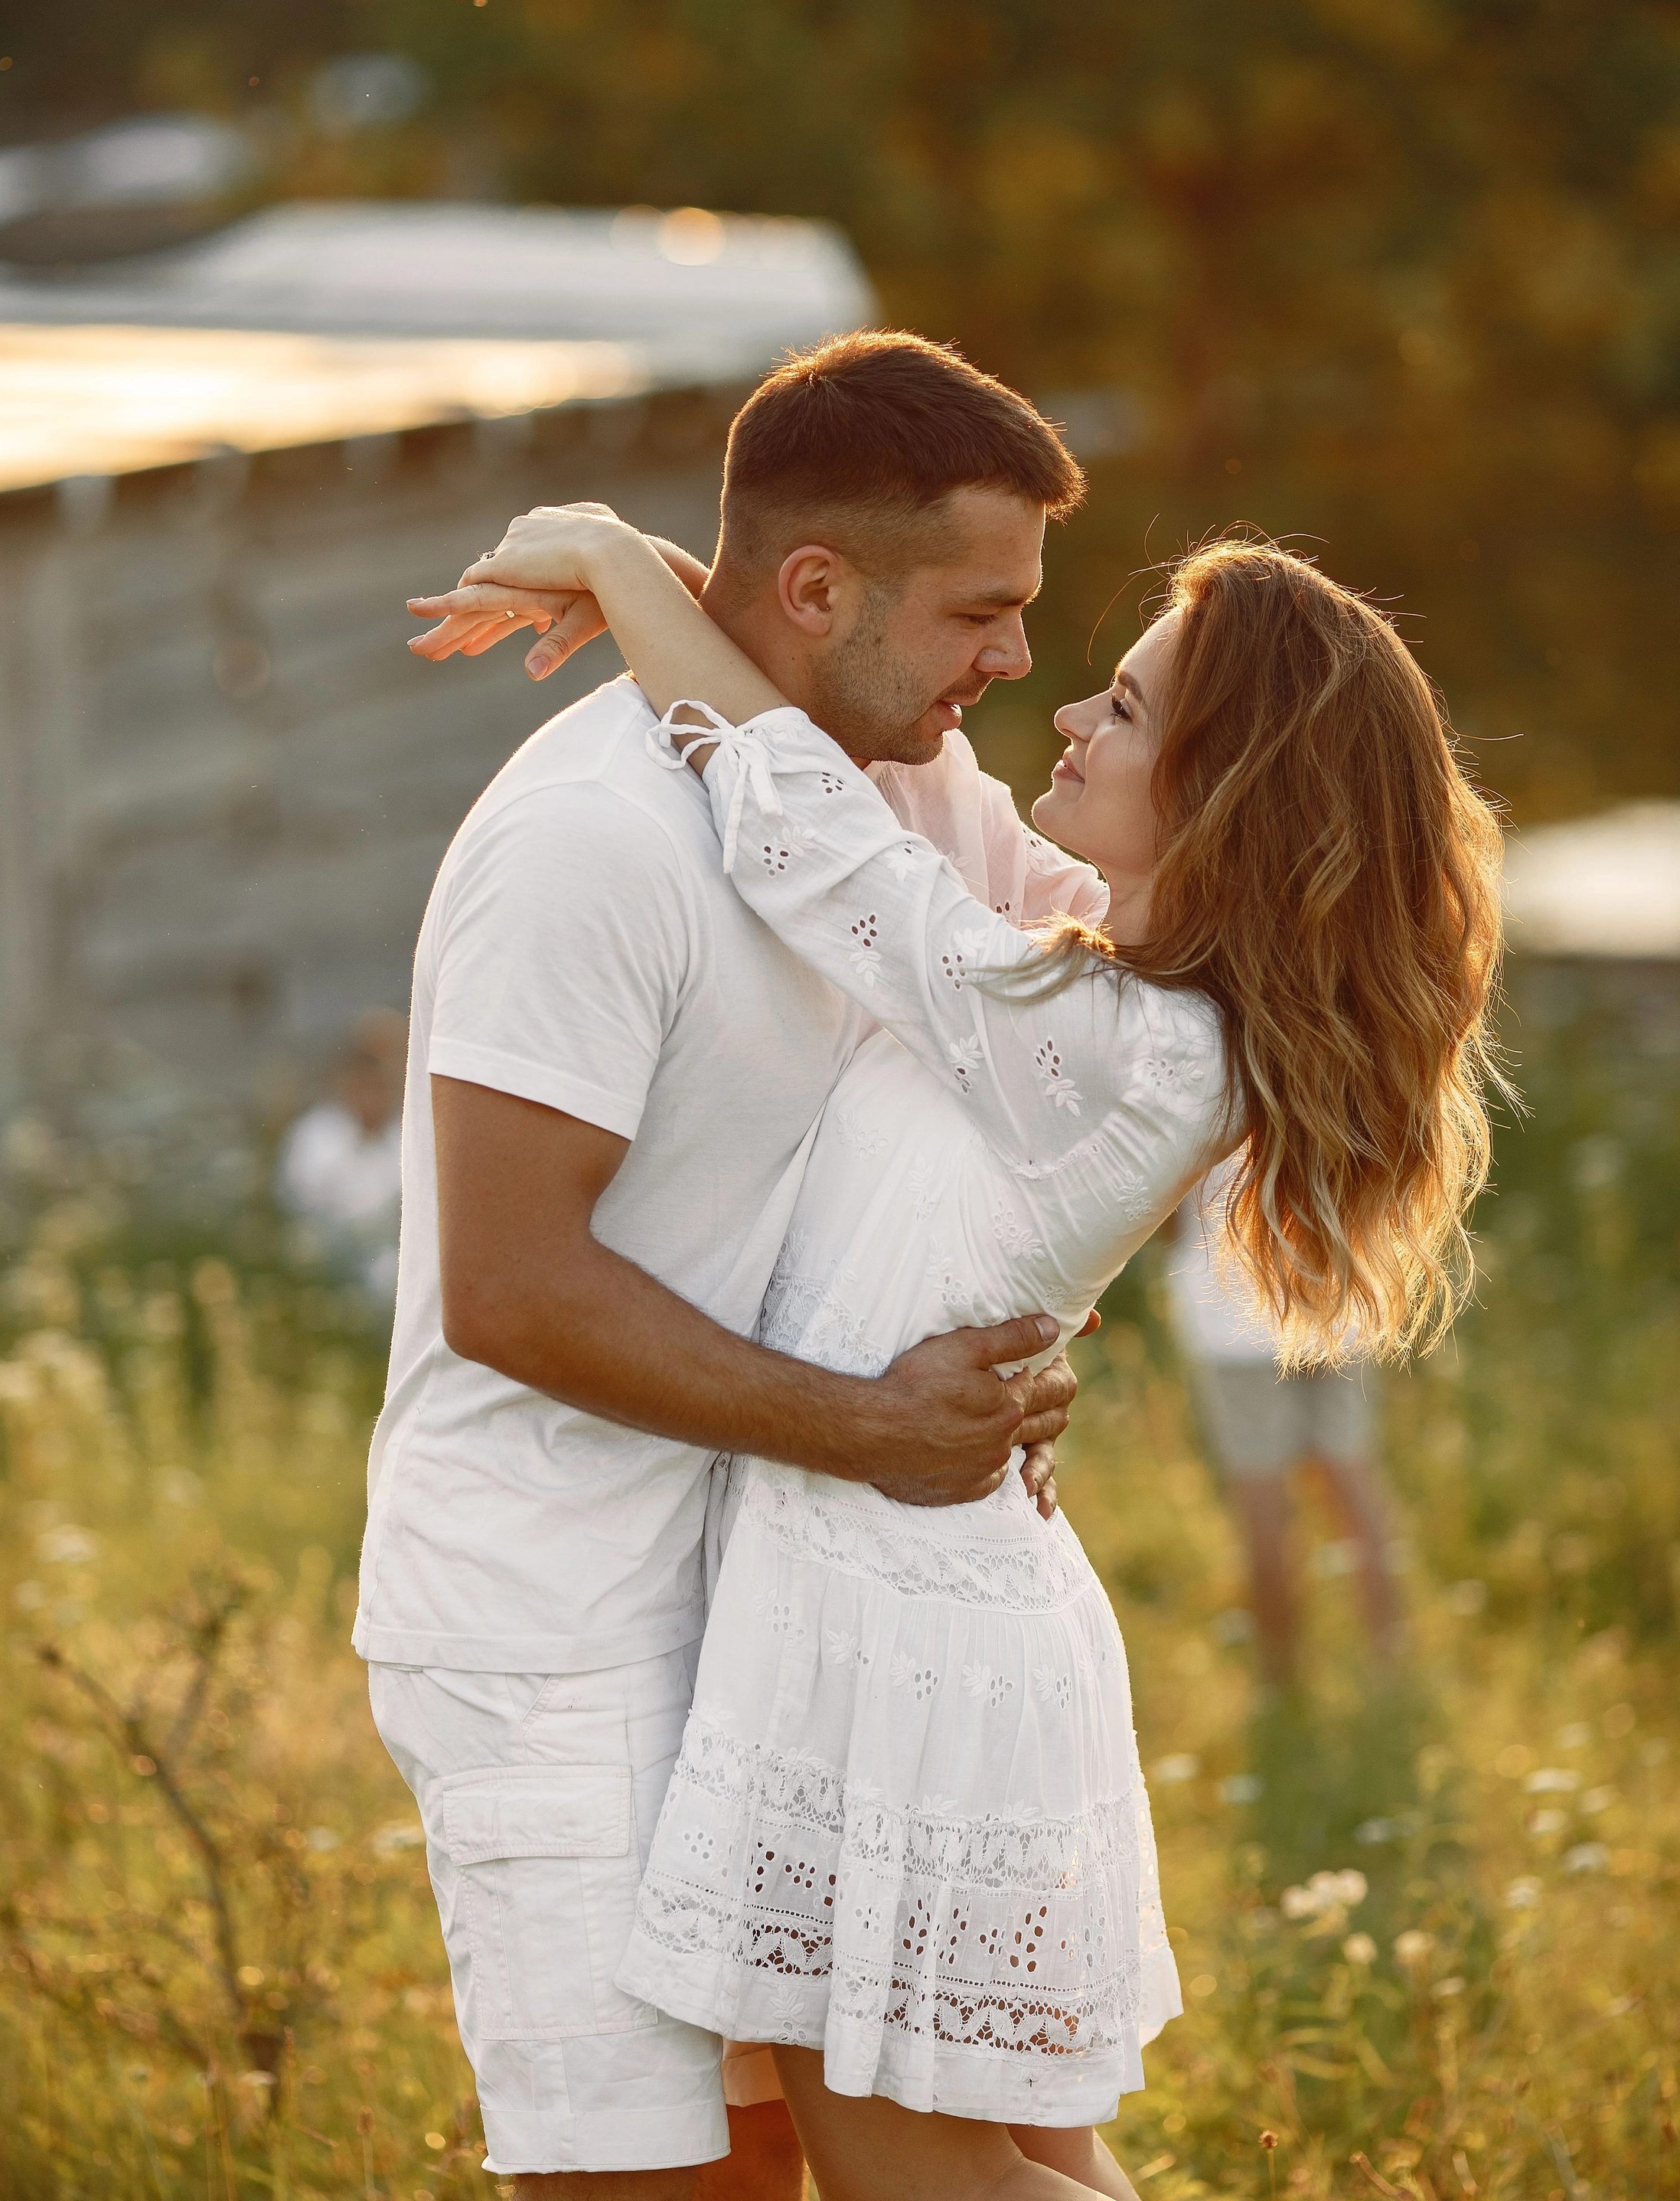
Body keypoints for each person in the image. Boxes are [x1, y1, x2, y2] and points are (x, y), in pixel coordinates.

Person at [423, 505, 1505, 2201]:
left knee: (913, 2175)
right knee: (1020, 2159)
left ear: (1226, 797)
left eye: (1129, 711)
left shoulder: (1104, 1039)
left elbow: (807, 834)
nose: (1069, 714)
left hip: (893, 1627)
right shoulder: (1115, 996)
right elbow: (870, 828)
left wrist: (615, 557)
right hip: (915, 1596)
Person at [363, 334, 1098, 2201]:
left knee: (905, 2156)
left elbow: (1066, 1045)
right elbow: (508, 1288)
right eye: (980, 613)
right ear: (817, 588)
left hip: (793, 1612)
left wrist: (992, 1358)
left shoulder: (909, 794)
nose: (1013, 664)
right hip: (564, 1628)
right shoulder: (586, 845)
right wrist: (868, 1424)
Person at [1166, 1162, 1404, 1688]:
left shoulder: (1198, 1079)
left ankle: (1280, 1682)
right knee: (1354, 1482)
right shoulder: (1329, 1075)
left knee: (1263, 1504)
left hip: (1234, 1315)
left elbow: (1162, 1206)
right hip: (1334, 1298)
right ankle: (1391, 1669)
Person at [277, 1007, 408, 1300]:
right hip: (328, 1274)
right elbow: (300, 1207)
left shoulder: (407, 1136)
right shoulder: (314, 1136)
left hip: (394, 1272)